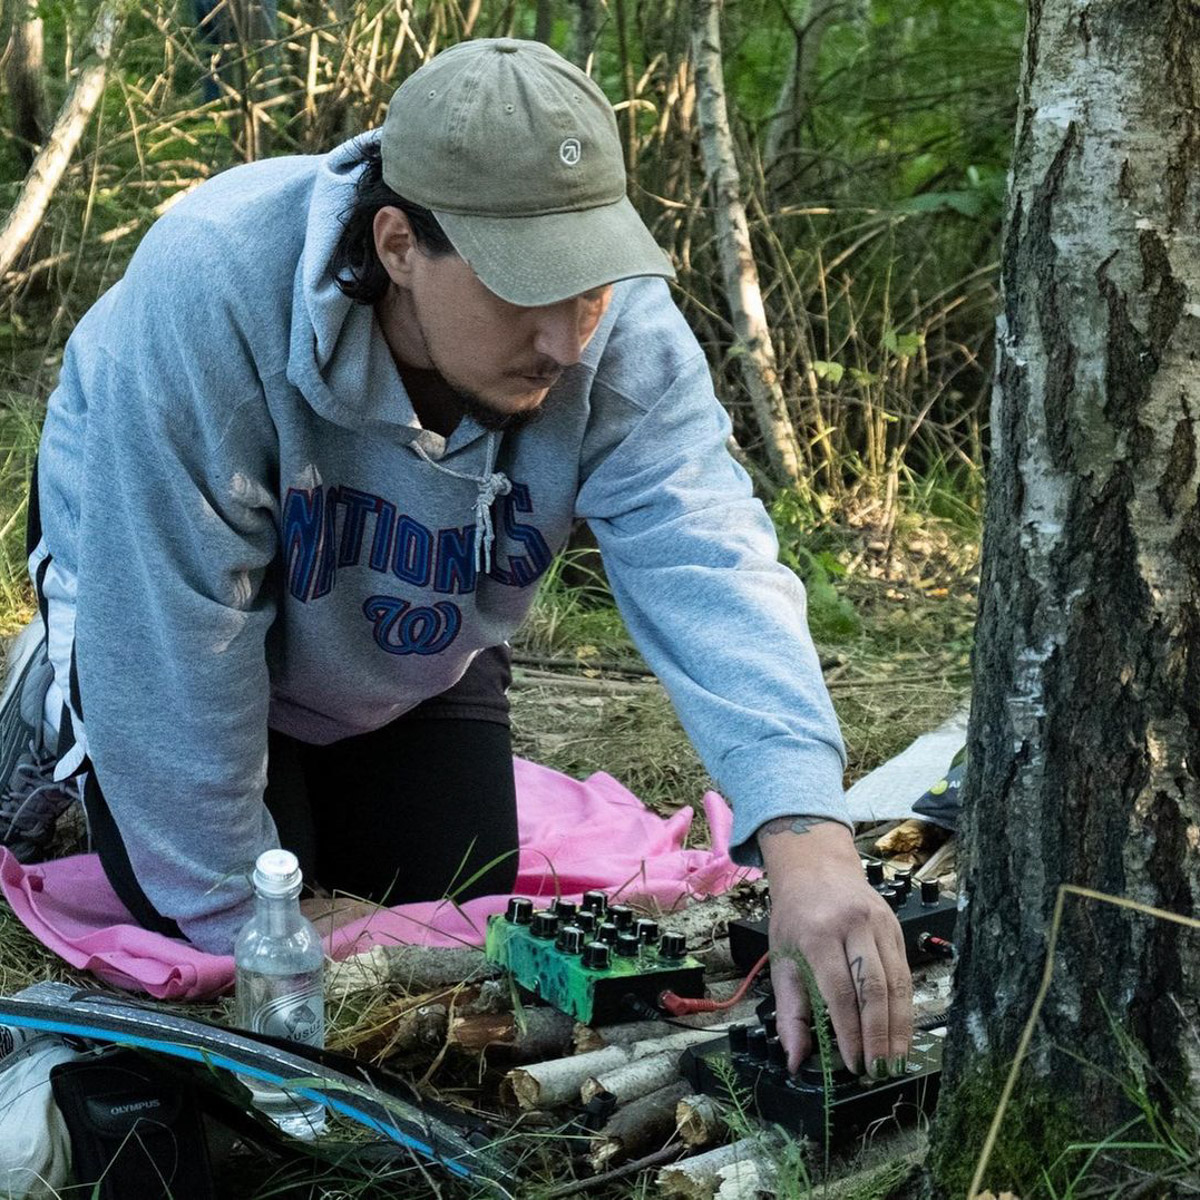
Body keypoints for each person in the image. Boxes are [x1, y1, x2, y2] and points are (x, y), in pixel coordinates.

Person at [0, 38, 911, 1078]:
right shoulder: (207, 294)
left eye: (589, 288)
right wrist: (245, 921)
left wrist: (809, 842)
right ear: (397, 243)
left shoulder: (619, 334)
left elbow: (707, 560)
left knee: (448, 898)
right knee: (247, 923)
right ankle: (63, 692)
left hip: (412, 612)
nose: (568, 341)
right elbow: (177, 642)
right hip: (165, 593)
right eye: (527, 291)